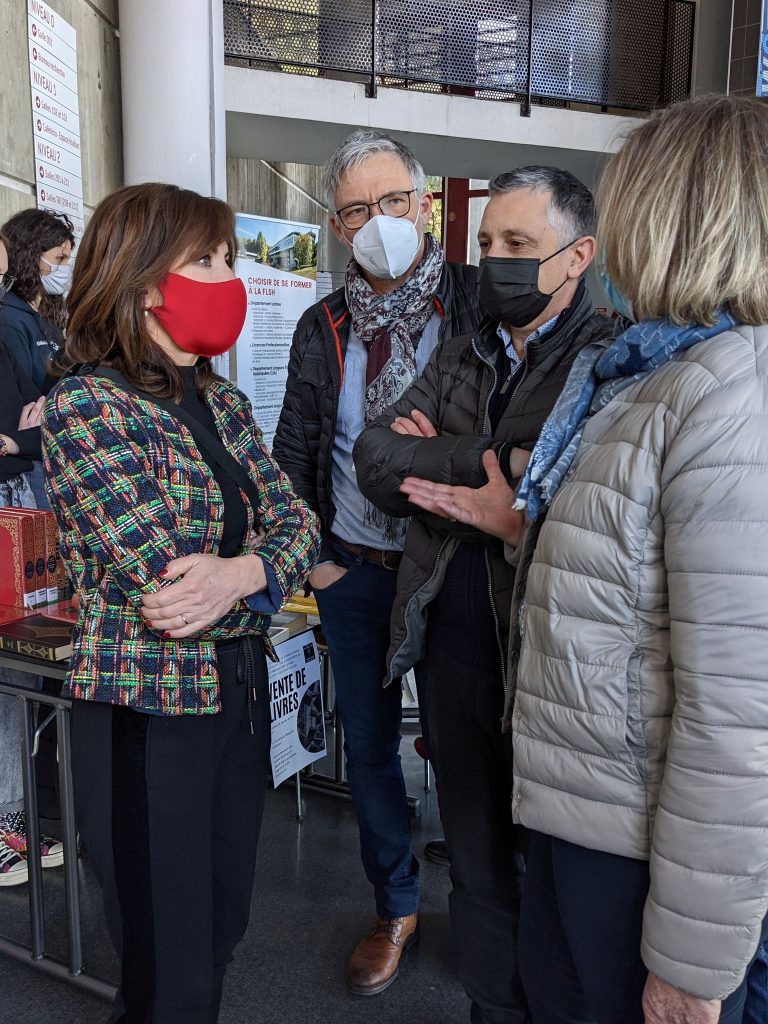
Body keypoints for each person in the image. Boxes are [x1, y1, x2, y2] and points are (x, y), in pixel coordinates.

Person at [432, 94, 768, 1024]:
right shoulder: (648, 371)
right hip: (584, 811)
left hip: (640, 847)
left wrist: (692, 962)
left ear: (677, 216)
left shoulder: (731, 393)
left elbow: (739, 709)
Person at [42, 182, 319, 1023]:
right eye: (207, 259)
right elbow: (167, 592)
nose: (228, 276)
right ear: (140, 278)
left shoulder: (220, 402)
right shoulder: (87, 405)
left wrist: (243, 573)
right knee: (167, 952)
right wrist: (266, 573)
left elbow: (301, 522)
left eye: (228, 258)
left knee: (222, 923)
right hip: (147, 710)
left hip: (235, 694)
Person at [354, 167, 614, 1023]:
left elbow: (579, 497)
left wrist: (462, 469)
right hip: (452, 649)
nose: (495, 259)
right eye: (488, 242)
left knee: (551, 871)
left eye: (518, 245)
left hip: (549, 661)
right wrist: (488, 463)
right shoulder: (464, 350)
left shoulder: (609, 357)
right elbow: (375, 459)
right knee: (474, 863)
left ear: (577, 256)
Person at [272, 128, 481, 995]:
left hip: (453, 566)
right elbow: (294, 451)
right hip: (353, 572)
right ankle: (394, 903)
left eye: (393, 200)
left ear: (423, 204)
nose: (378, 221)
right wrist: (314, 560)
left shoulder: (475, 306)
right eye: (358, 209)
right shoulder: (322, 325)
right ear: (336, 224)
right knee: (368, 746)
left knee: (467, 743)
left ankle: (481, 905)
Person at [0, 231, 62, 885]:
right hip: (10, 499)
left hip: (24, 504)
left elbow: (38, 422)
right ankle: (5, 823)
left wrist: (25, 440)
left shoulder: (22, 320)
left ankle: (12, 816)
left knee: (21, 669)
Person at [0, 208, 74, 509]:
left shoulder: (45, 316)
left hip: (34, 461)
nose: (65, 269)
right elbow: (20, 409)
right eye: (59, 259)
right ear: (31, 255)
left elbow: (41, 415)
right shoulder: (9, 320)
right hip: (26, 470)